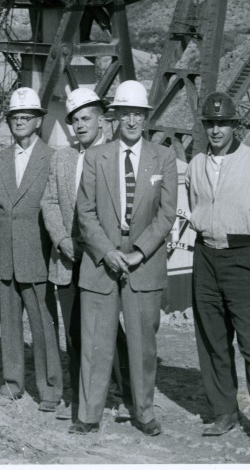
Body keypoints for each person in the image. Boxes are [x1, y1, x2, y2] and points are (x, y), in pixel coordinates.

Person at [73, 79, 177, 436]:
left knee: (142, 344)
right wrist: (107, 251)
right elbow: (85, 212)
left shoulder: (163, 157)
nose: (131, 120)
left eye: (138, 113)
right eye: (125, 113)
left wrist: (137, 253)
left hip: (143, 265)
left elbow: (167, 214)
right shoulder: (94, 157)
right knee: (96, 342)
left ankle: (144, 412)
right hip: (102, 262)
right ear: (114, 116)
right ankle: (88, 415)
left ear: (146, 117)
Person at [185, 91, 250, 451]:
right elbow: (192, 204)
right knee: (212, 338)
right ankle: (224, 412)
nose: (216, 130)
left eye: (222, 123)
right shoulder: (196, 163)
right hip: (205, 255)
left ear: (233, 126)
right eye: (210, 124)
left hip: (241, 256)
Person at [41, 87, 134, 422]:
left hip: (103, 259)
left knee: (112, 330)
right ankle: (83, 401)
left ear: (101, 119)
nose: (80, 125)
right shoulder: (63, 158)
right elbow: (49, 202)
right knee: (75, 333)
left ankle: (131, 395)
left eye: (86, 118)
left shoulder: (115, 155)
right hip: (69, 258)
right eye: (75, 120)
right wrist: (62, 238)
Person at [0, 87, 62, 411]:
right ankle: (12, 383)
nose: (20, 121)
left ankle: (51, 389)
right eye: (15, 116)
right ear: (9, 121)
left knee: (43, 327)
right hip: (3, 260)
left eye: (26, 116)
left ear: (38, 120)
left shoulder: (53, 159)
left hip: (37, 258)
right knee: (9, 325)